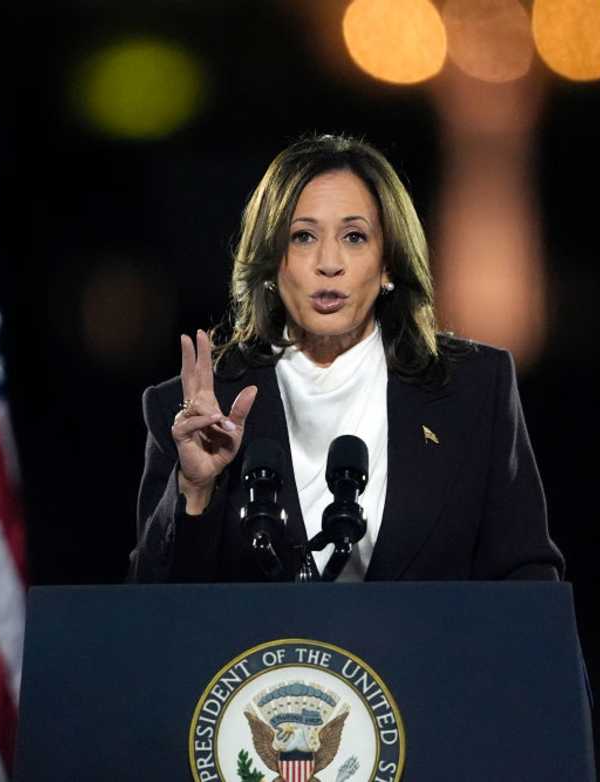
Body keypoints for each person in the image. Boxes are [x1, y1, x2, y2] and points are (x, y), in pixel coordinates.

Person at [128, 134, 562, 583]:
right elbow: (150, 618)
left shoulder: (474, 388)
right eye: (303, 237)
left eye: (354, 237)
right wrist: (195, 489)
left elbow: (526, 581)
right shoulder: (197, 410)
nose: (329, 263)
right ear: (272, 262)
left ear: (388, 262)